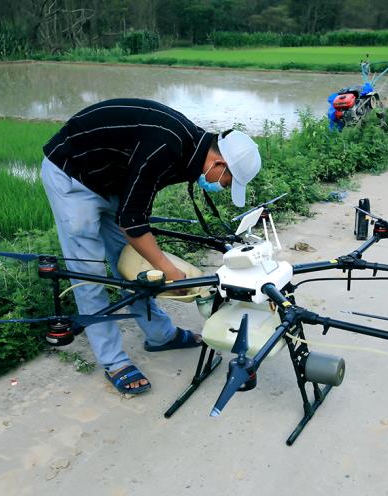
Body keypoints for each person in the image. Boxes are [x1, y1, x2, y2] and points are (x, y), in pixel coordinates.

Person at [40, 98, 262, 395]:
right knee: (89, 273)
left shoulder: (190, 151)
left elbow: (135, 209)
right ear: (219, 164)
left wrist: (157, 264)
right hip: (72, 175)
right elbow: (132, 223)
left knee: (132, 265)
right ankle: (114, 362)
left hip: (110, 180)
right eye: (226, 182)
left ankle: (160, 336)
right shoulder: (166, 146)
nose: (221, 187)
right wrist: (171, 271)